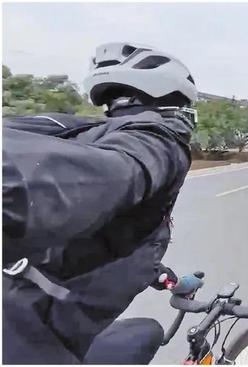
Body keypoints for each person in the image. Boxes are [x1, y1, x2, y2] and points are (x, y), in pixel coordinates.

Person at [2, 42, 197, 363]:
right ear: (176, 106)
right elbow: (55, 183)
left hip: (39, 314)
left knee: (144, 331)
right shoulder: (156, 142)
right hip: (29, 331)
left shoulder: (84, 133)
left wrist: (164, 277)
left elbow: (111, 233)